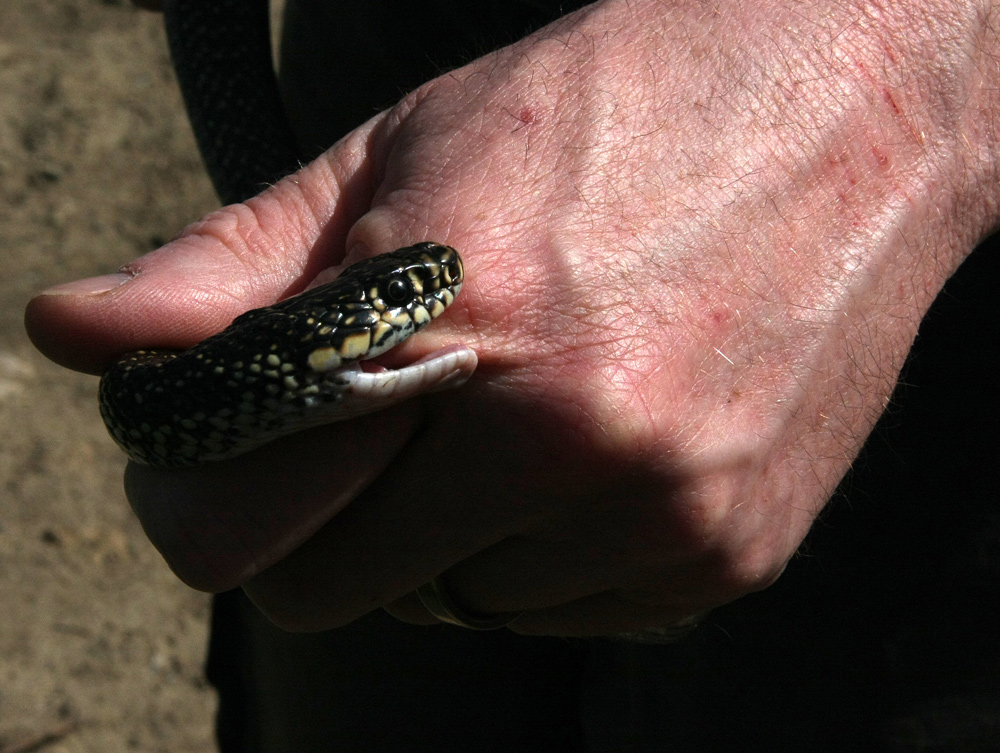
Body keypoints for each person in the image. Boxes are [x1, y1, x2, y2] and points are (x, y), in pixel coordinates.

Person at [25, 0, 1000, 750]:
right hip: (412, 80)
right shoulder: (240, 363)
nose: (432, 291)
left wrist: (915, 73)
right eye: (401, 299)